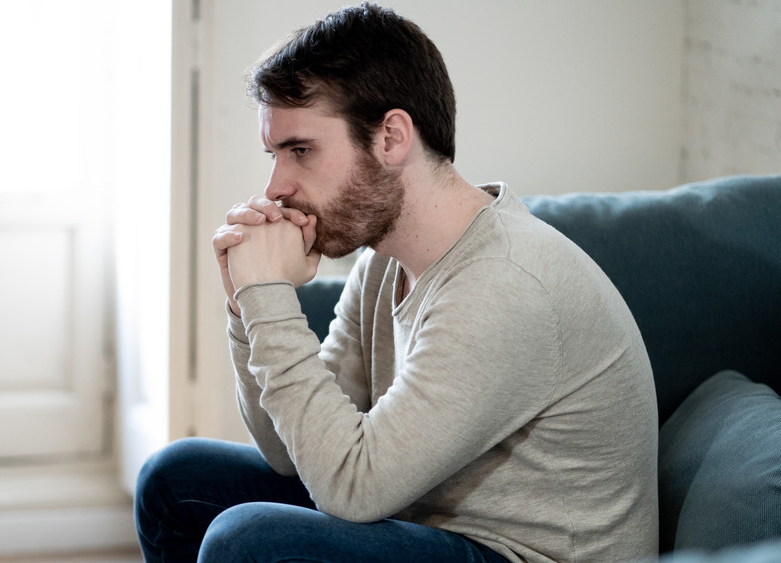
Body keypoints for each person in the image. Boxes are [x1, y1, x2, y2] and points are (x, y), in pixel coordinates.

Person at [135, 3, 658, 562]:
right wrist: (247, 307)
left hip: (517, 554)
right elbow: (292, 453)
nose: (277, 186)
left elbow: (352, 488)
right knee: (174, 480)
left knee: (248, 541)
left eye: (301, 151)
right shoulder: (385, 262)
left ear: (391, 137)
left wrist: (269, 300)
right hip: (428, 524)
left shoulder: (503, 283)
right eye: (275, 154)